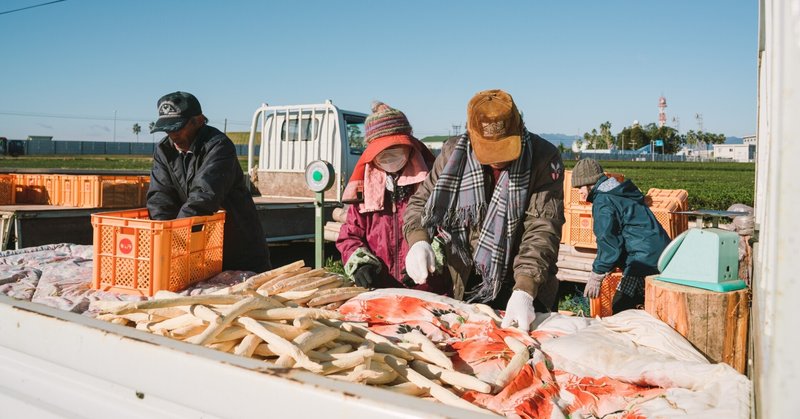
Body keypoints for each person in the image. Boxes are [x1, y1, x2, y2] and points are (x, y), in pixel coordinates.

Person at [403, 89, 565, 332]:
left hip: (520, 279)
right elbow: (420, 203)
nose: (497, 160)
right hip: (466, 277)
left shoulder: (543, 157)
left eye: (504, 149)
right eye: (489, 150)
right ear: (472, 135)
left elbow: (542, 228)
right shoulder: (452, 153)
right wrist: (418, 241)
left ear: (518, 129)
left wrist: (525, 288)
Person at [147, 91, 271, 273]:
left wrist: (175, 240)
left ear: (198, 121)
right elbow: (160, 196)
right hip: (197, 248)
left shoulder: (218, 146)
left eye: (178, 127)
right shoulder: (164, 150)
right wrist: (163, 238)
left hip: (236, 247)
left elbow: (203, 196)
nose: (172, 135)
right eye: (167, 129)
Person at [336, 102, 447, 293]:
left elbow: (452, 231)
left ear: (411, 147)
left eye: (395, 150)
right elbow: (349, 236)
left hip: (429, 290)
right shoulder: (365, 192)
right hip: (381, 292)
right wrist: (361, 263)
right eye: (382, 154)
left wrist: (431, 259)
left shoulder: (433, 185)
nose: (389, 158)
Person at [571, 158, 670, 312]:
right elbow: (625, 232)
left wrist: (597, 274)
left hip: (642, 260)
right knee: (644, 306)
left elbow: (609, 242)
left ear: (590, 183)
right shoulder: (620, 192)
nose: (579, 192)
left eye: (580, 187)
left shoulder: (603, 201)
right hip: (661, 254)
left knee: (620, 308)